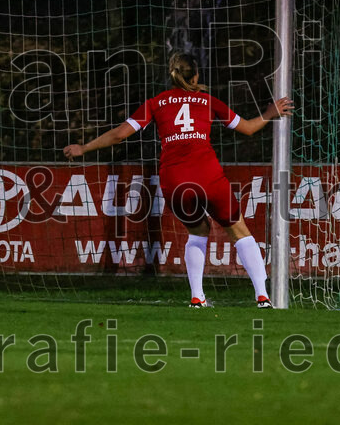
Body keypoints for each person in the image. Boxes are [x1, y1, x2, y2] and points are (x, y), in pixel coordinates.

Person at [63, 52, 293, 309]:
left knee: (197, 231)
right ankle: (262, 296)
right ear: (195, 75)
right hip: (209, 176)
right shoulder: (208, 101)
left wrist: (84, 148)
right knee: (240, 232)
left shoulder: (156, 103)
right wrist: (270, 112)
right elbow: (249, 128)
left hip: (176, 182)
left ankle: (197, 297)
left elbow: (118, 135)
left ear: (172, 75)